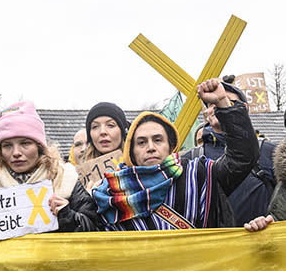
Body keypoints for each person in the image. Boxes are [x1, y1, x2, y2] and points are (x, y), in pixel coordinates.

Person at [93, 79, 257, 230]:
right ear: (131, 151)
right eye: (141, 142)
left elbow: (242, 157)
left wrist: (223, 103)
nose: (151, 147)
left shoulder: (199, 174)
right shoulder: (110, 193)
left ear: (171, 146)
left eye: (158, 140)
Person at [0, 103, 98, 233]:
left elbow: (95, 230)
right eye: (7, 145)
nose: (16, 153)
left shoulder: (67, 181)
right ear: (0, 151)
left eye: (25, 143)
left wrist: (68, 217)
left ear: (39, 147)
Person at [193, 79, 276, 224]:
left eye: (226, 102)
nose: (217, 106)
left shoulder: (269, 151)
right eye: (212, 104)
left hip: (261, 236)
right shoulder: (193, 158)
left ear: (243, 109)